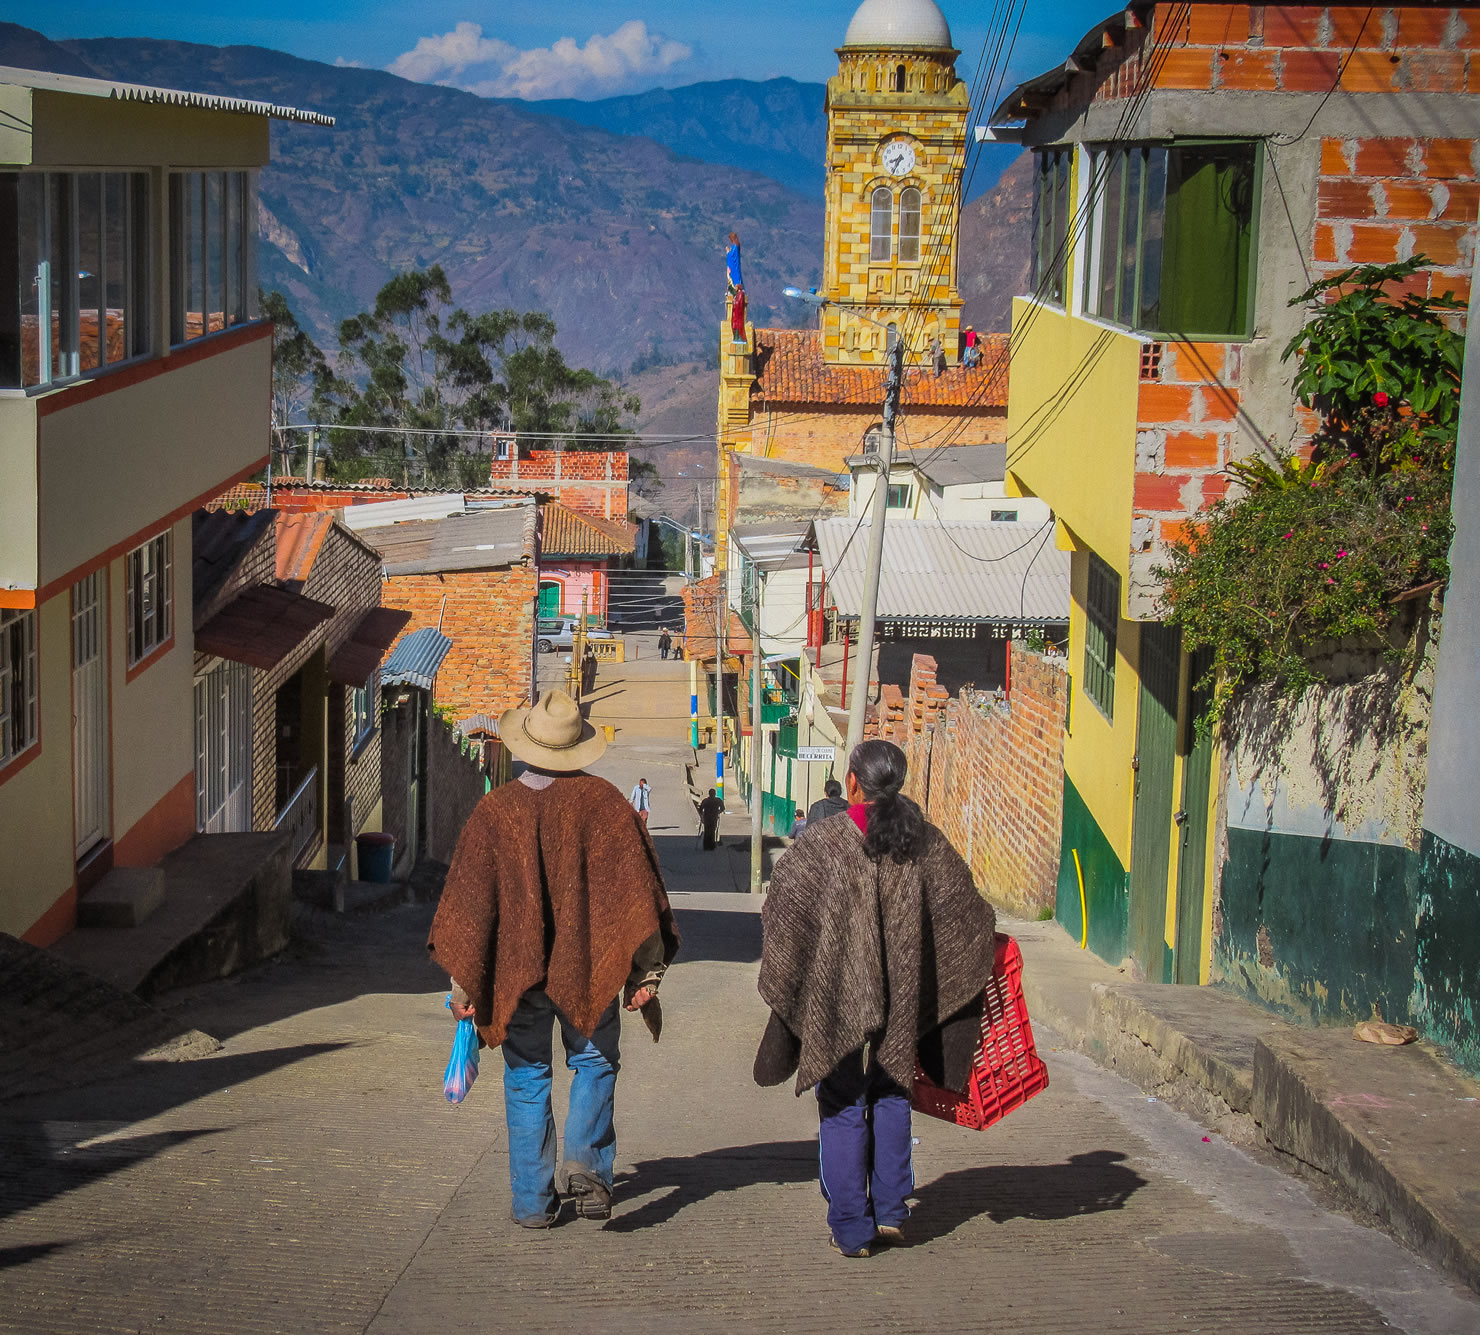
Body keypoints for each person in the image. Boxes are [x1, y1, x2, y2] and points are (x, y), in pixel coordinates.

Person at [429, 690, 679, 1229]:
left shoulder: (496, 811)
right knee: (594, 1061)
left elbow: (471, 909)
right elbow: (638, 900)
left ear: (524, 746)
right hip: (589, 968)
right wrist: (645, 974)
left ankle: (532, 1204)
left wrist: (465, 990)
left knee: (526, 1075)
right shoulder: (609, 806)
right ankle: (586, 1164)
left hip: (519, 976)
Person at [753, 739, 997, 1258]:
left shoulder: (822, 844)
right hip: (903, 994)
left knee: (842, 1098)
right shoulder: (925, 842)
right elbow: (968, 912)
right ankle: (890, 1210)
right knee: (892, 1089)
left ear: (854, 781)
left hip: (838, 993)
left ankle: (851, 1226)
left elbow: (782, 906)